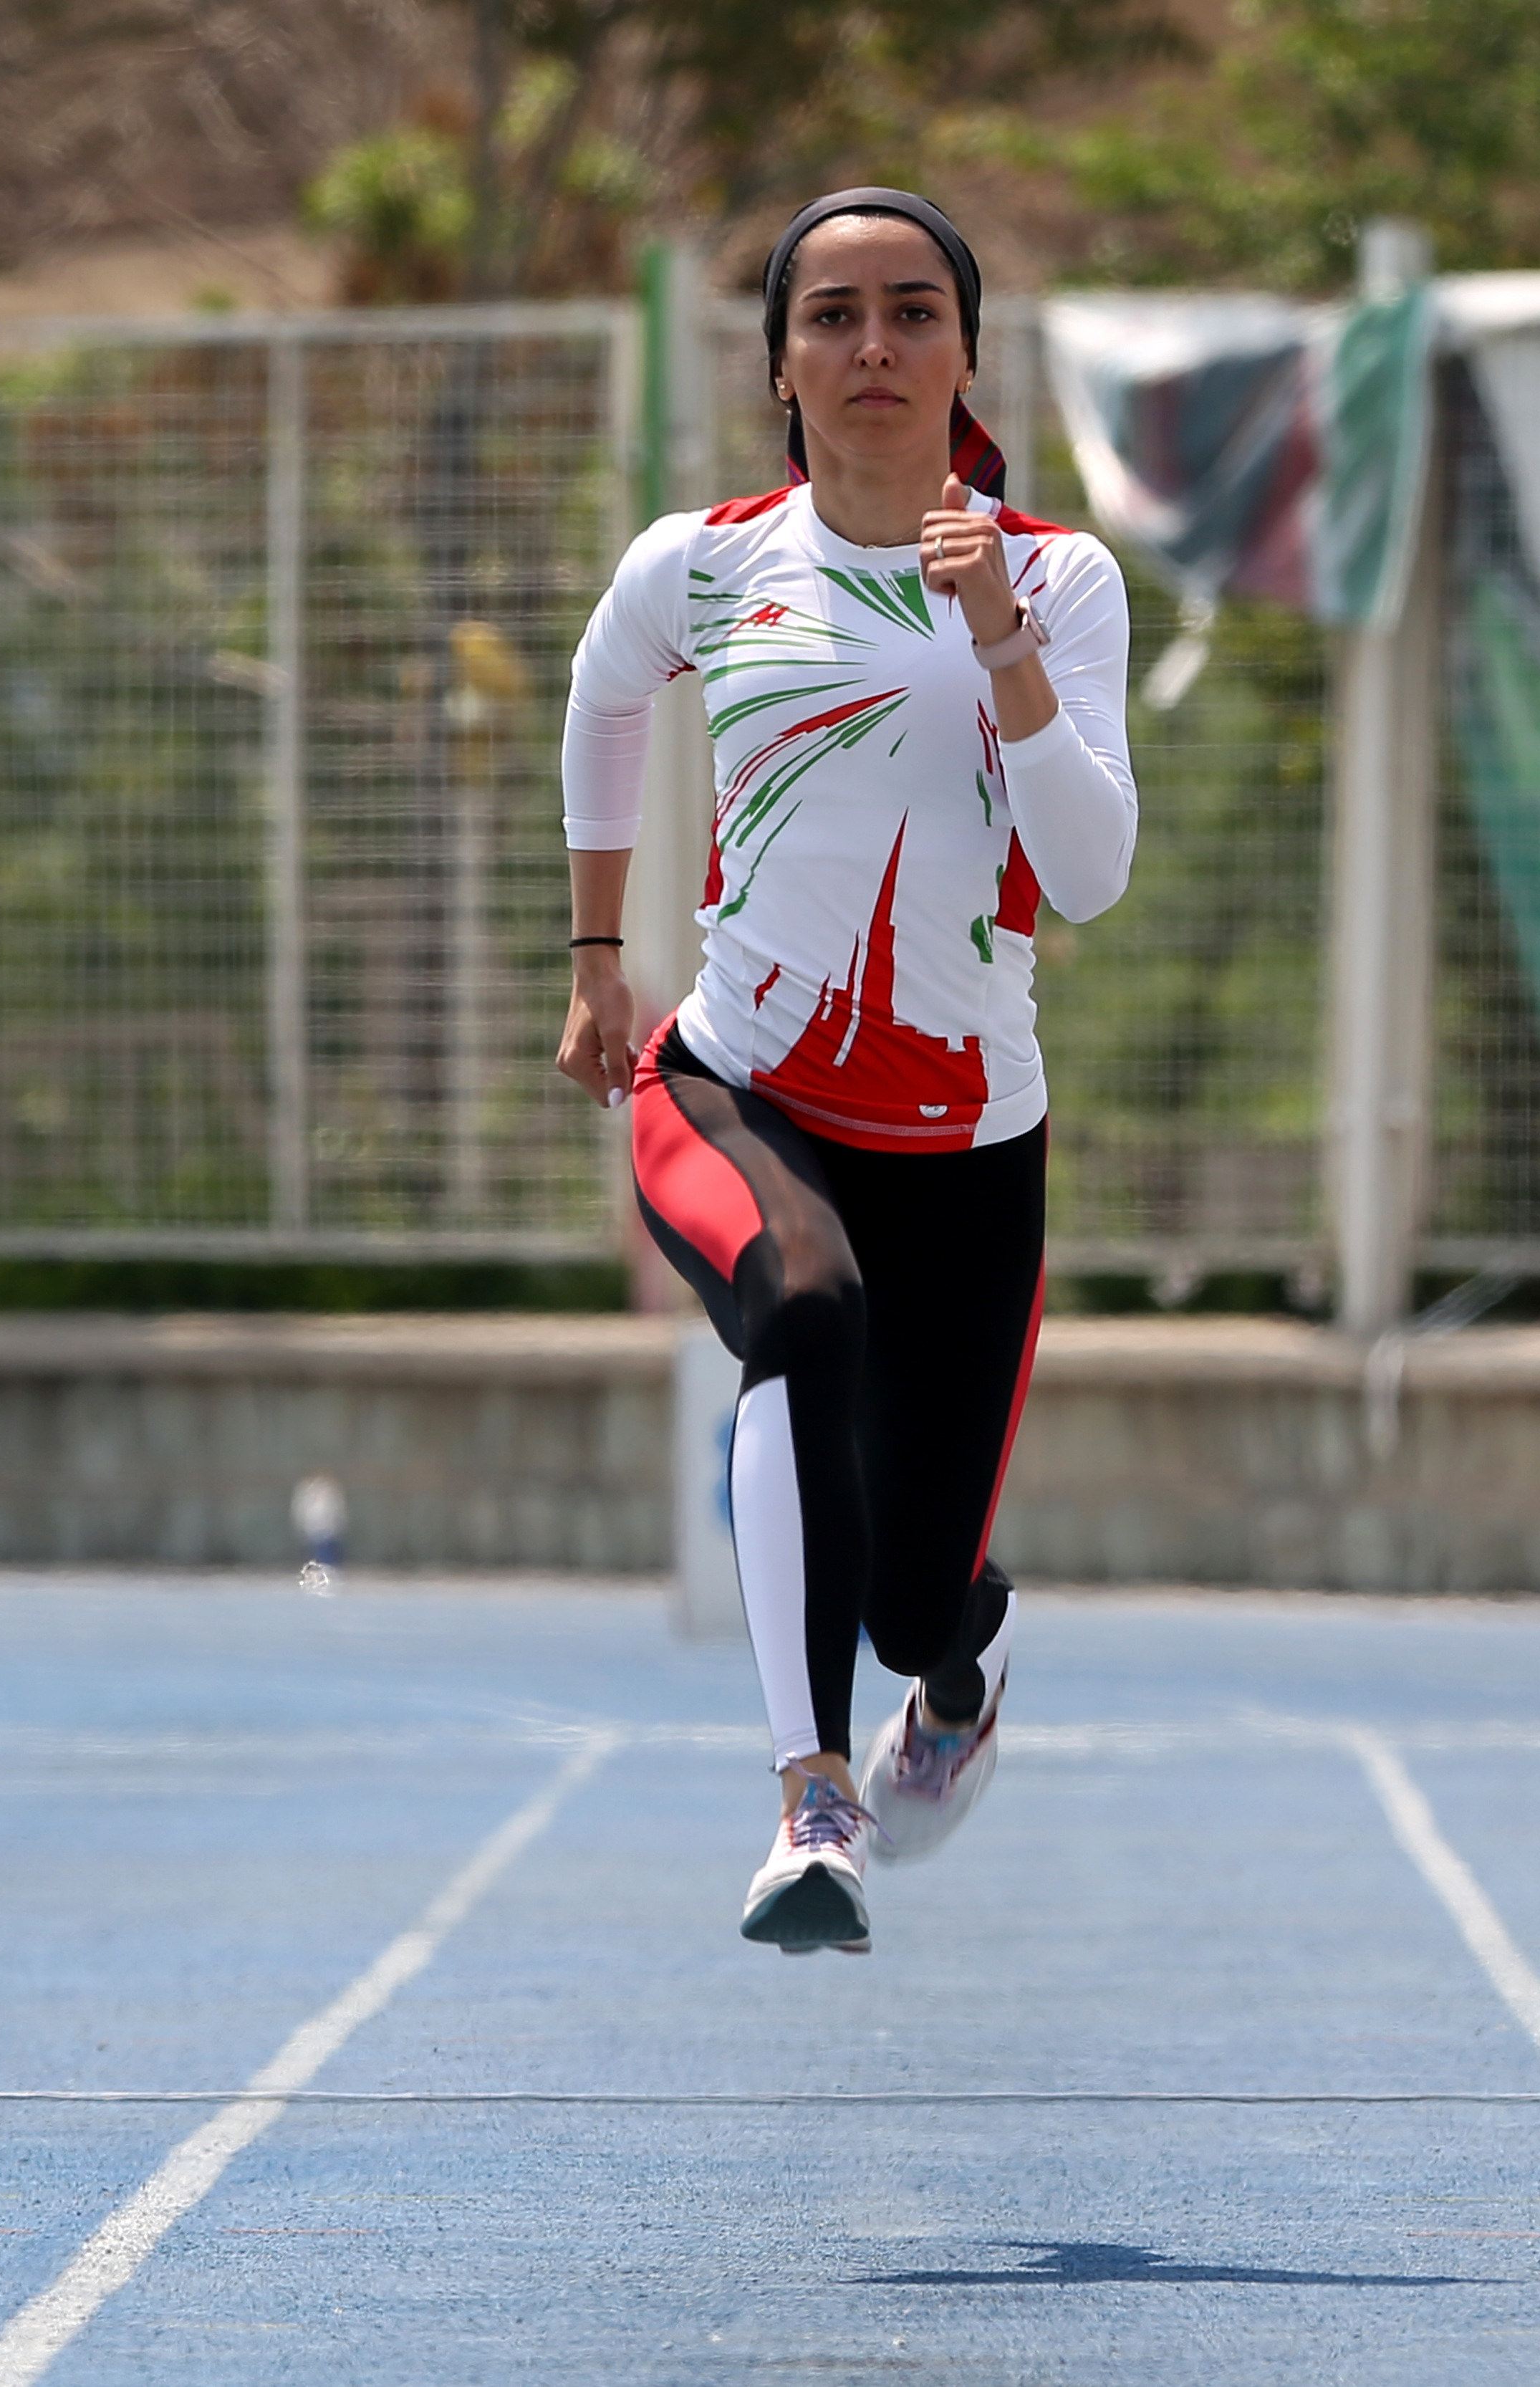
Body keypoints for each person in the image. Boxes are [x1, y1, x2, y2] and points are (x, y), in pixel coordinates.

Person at [552, 187, 1135, 1953]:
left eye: (908, 313)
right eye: (830, 318)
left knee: (912, 1605)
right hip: (740, 1085)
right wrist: (595, 954)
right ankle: (813, 1802)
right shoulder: (704, 561)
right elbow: (601, 696)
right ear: (783, 366)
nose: (870, 346)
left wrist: (1005, 655)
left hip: (969, 1139)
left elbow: (1093, 876)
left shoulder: (1055, 580)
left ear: (965, 352)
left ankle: (956, 1673)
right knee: (798, 1307)